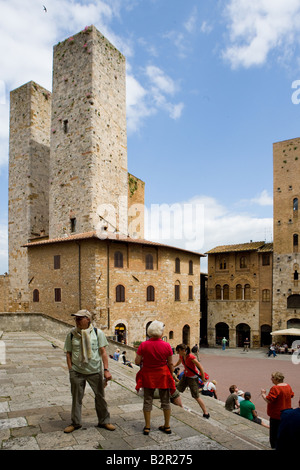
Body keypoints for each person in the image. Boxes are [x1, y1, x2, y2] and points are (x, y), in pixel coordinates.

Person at [63, 309, 115, 433]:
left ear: (88, 320)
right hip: (77, 371)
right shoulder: (71, 334)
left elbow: (103, 352)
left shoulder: (98, 333)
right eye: (76, 318)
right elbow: (68, 354)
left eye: (80, 318)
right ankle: (75, 423)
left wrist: (106, 370)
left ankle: (104, 421)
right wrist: (71, 370)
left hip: (94, 370)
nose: (77, 321)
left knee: (100, 397)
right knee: (76, 398)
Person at [135, 321, 175, 435]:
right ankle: (167, 426)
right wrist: (171, 375)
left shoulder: (143, 345)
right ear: (160, 332)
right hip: (163, 375)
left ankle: (147, 427)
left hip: (148, 375)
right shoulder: (167, 345)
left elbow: (137, 361)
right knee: (165, 401)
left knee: (147, 400)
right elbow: (170, 364)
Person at [174, 343, 210, 418]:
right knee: (177, 390)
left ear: (183, 350)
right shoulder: (181, 355)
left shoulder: (191, 357)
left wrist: (203, 378)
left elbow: (201, 367)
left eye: (178, 351)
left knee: (196, 396)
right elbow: (179, 362)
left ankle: (205, 412)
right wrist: (173, 365)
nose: (178, 353)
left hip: (193, 378)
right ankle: (179, 405)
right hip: (185, 375)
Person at [261, 371, 295, 449]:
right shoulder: (288, 386)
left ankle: (274, 446)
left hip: (276, 414)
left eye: (272, 377)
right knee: (283, 431)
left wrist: (263, 394)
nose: (271, 379)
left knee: (274, 433)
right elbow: (292, 395)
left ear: (276, 379)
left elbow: (269, 400)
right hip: (286, 413)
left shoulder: (275, 388)